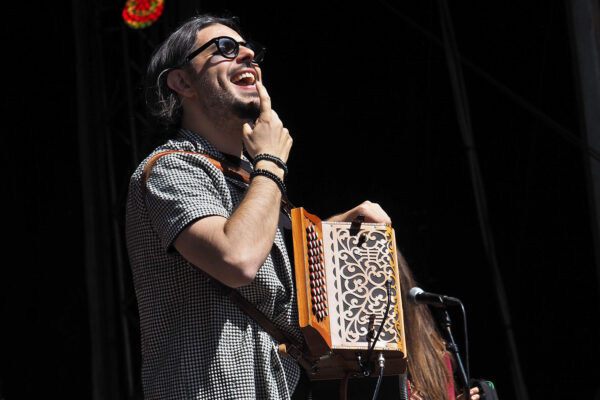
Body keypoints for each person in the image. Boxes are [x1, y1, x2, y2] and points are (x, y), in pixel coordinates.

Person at [125, 13, 391, 400]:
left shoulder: (254, 182)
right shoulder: (170, 166)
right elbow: (237, 260)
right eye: (225, 49)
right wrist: (270, 161)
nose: (248, 54)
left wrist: (334, 233)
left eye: (250, 49)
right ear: (182, 82)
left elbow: (282, 283)